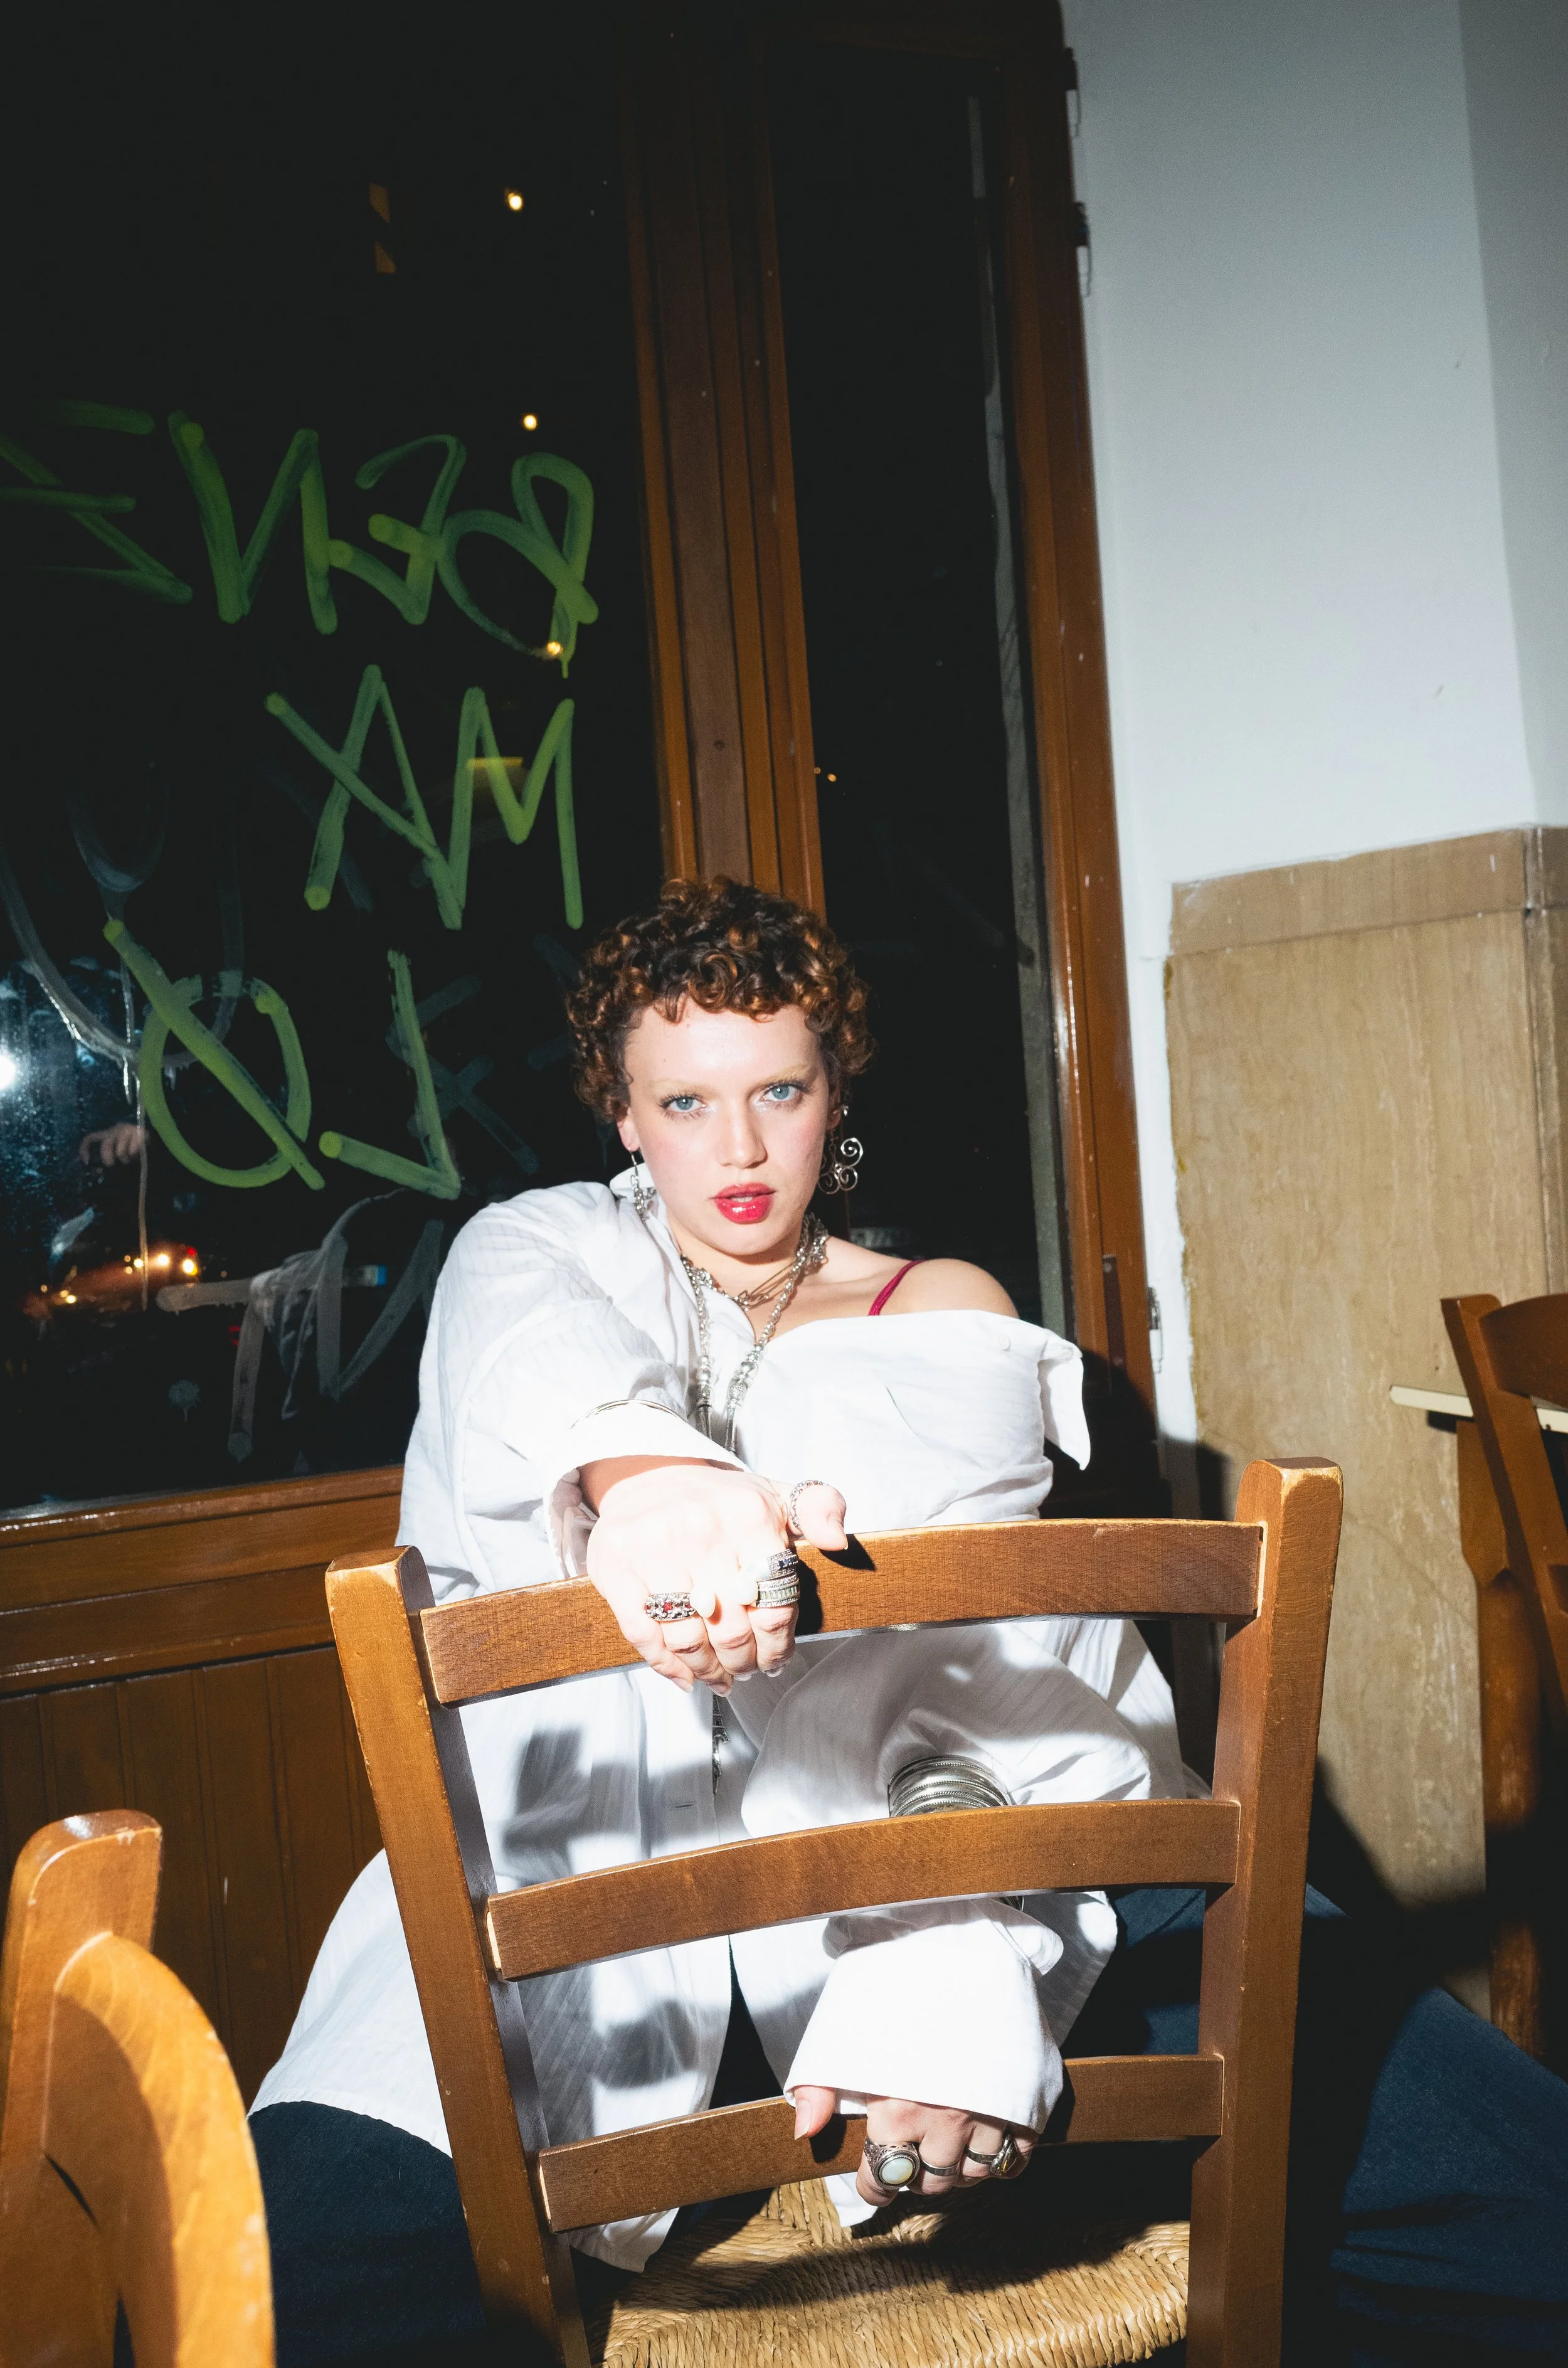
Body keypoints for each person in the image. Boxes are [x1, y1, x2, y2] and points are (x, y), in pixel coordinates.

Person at [249, 876, 1190, 2362]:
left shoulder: (927, 1302)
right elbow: (540, 1355)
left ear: (834, 1095)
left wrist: (945, 1959)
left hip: (926, 1876)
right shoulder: (535, 1255)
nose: (739, 1149)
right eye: (683, 1101)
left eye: (778, 1091)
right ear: (621, 1115)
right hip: (576, 1903)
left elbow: (942, 1681)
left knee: (1415, 2133)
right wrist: (647, 1486)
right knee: (295, 2268)